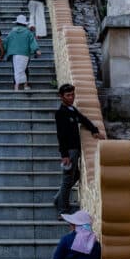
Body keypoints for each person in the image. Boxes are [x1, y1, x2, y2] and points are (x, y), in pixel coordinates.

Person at [53, 84, 100, 216]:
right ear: (61, 97)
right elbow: (60, 136)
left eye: (73, 94)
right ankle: (62, 210)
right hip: (69, 151)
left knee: (76, 176)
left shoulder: (72, 109)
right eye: (68, 95)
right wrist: (64, 155)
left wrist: (94, 130)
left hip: (76, 150)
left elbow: (83, 119)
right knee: (67, 180)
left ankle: (58, 199)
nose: (71, 97)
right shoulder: (61, 113)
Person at [2, 14, 40, 92]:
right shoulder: (28, 32)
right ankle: (25, 85)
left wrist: (1, 52)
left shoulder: (12, 32)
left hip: (14, 54)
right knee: (24, 69)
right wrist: (36, 50)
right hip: (25, 53)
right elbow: (32, 42)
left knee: (16, 69)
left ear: (17, 23)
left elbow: (5, 42)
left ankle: (16, 86)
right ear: (24, 24)